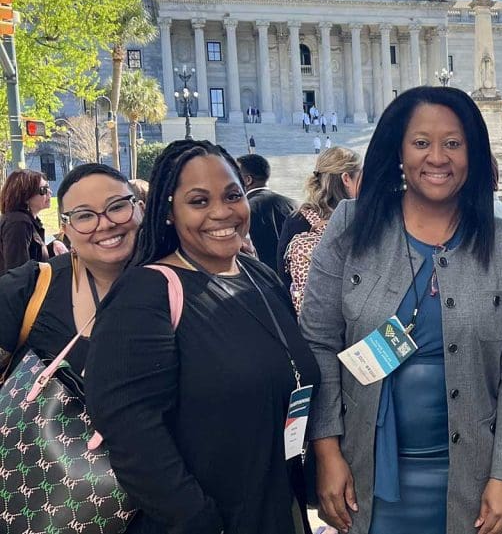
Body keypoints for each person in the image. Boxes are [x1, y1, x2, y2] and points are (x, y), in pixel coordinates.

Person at [300, 85, 502, 534]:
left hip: (469, 475)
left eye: (453, 143)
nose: (437, 157)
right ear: (399, 150)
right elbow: (318, 342)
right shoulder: (352, 227)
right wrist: (327, 452)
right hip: (365, 470)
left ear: (472, 154)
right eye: (421, 142)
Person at [85, 139, 320, 534]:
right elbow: (134, 437)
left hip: (277, 509)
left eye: (233, 195)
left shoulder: (258, 276)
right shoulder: (145, 296)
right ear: (168, 213)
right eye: (198, 201)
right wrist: (198, 520)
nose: (221, 212)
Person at [0, 163, 143, 377]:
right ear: (66, 229)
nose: (104, 224)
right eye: (84, 215)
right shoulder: (27, 288)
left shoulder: (182, 287)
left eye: (116, 207)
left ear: (141, 209)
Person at [277, 146, 362, 311]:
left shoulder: (296, 219)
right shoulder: (360, 219)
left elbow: (284, 273)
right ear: (346, 178)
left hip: (311, 319)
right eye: (361, 175)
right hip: (355, 323)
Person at [237, 153, 298, 267]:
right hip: (291, 278)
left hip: (260, 276)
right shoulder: (293, 204)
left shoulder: (242, 210)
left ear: (248, 180)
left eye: (235, 175)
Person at [0, 169, 52, 275]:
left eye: (48, 187)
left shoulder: (27, 220)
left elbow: (34, 255)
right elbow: (18, 272)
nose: (50, 193)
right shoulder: (18, 223)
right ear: (25, 196)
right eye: (44, 190)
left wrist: (52, 247)